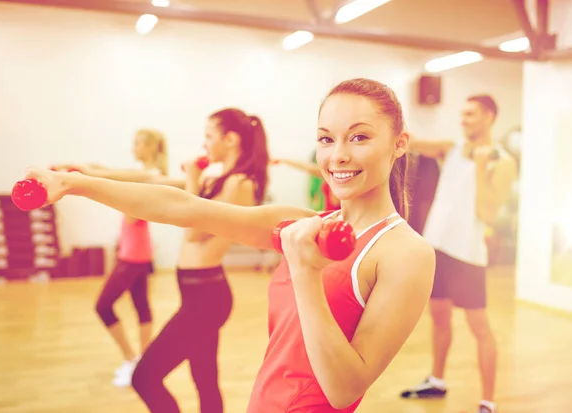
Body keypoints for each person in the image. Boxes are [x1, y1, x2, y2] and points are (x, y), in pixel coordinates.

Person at [22, 78, 435, 412]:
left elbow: (344, 389)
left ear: (399, 143)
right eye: (327, 140)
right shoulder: (305, 225)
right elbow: (182, 207)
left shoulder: (405, 254)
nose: (338, 155)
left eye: (359, 137)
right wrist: (74, 184)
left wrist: (305, 273)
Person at [60, 108, 269, 412]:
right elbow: (148, 179)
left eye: (209, 137)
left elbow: (196, 233)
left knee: (144, 378)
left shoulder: (241, 184)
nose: (204, 145)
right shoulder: (221, 178)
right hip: (197, 292)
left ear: (230, 139)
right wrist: (86, 173)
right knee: (205, 379)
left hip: (208, 297)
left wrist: (193, 181)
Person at [400, 95, 518, 413]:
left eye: (471, 114)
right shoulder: (450, 149)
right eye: (462, 113)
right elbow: (410, 142)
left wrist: (480, 166)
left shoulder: (503, 161)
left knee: (479, 327)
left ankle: (488, 401)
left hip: (467, 256)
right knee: (438, 318)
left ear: (489, 116)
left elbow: (489, 214)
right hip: (436, 248)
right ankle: (437, 381)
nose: (463, 119)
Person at [54, 128, 168, 387]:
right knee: (141, 306)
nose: (133, 148)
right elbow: (104, 169)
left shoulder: (152, 176)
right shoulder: (140, 174)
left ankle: (132, 360)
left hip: (134, 254)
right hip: (135, 251)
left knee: (103, 306)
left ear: (151, 147)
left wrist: (95, 182)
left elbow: (131, 214)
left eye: (138, 143)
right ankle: (143, 363)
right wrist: (72, 169)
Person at [272, 156, 341, 211]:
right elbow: (309, 168)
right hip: (330, 215)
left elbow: (310, 168)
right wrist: (284, 160)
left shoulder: (335, 174)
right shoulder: (328, 173)